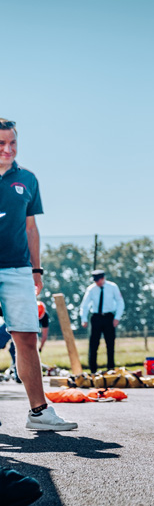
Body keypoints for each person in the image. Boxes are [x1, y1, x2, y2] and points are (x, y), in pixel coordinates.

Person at [0, 118, 76, 430]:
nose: (7, 149)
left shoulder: (28, 179)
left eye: (12, 143)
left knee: (27, 338)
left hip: (18, 269)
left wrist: (36, 270)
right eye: (1, 143)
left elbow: (32, 228)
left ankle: (39, 413)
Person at [79, 269, 125, 373]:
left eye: (98, 280)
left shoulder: (112, 287)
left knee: (110, 344)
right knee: (93, 344)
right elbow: (85, 305)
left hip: (109, 317)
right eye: (95, 280)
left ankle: (110, 368)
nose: (96, 282)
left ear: (103, 278)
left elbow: (120, 302)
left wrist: (117, 317)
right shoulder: (91, 289)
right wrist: (84, 319)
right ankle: (93, 370)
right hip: (96, 318)